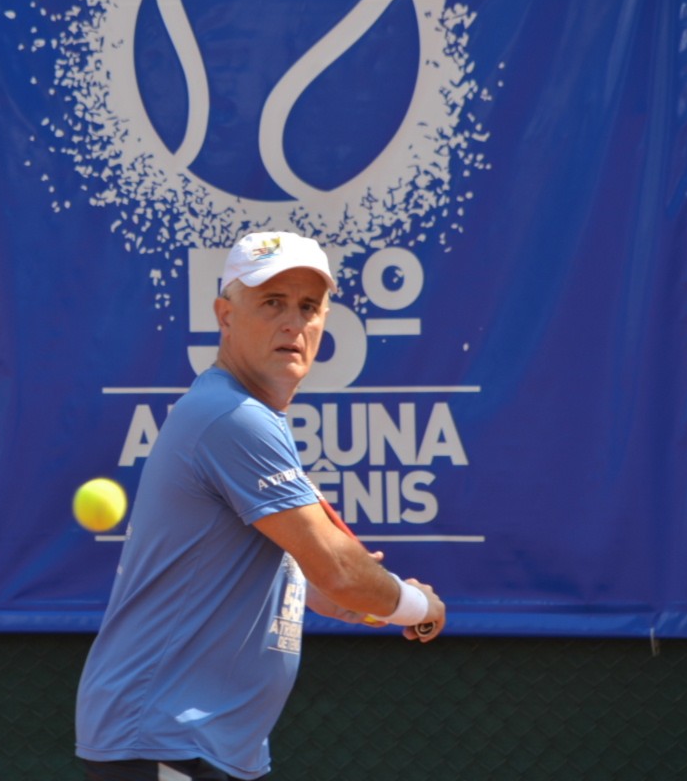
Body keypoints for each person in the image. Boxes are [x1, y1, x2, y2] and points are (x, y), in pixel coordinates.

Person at [76, 231, 446, 781]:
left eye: (308, 307)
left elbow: (303, 578)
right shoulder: (232, 417)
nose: (293, 323)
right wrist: (417, 605)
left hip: (211, 745)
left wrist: (337, 594)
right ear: (225, 315)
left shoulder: (242, 414)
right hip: (166, 737)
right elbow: (341, 571)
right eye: (272, 302)